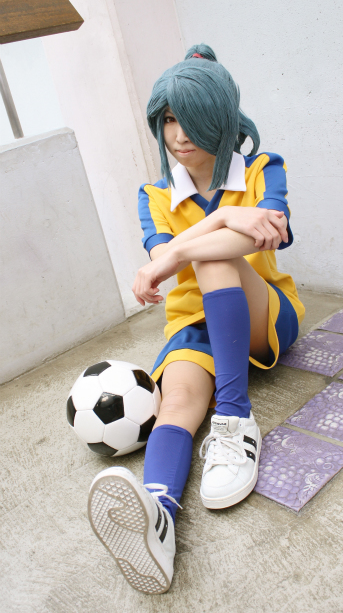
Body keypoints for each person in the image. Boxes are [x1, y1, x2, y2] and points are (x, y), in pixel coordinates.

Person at [87, 44, 305, 594]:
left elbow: (260, 236)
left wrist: (192, 243)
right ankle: (158, 516)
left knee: (214, 259)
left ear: (221, 115)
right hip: (195, 323)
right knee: (178, 403)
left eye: (191, 117)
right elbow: (166, 256)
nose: (179, 134)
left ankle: (235, 420)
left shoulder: (262, 169)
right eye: (167, 119)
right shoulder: (155, 194)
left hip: (263, 314)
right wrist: (227, 217)